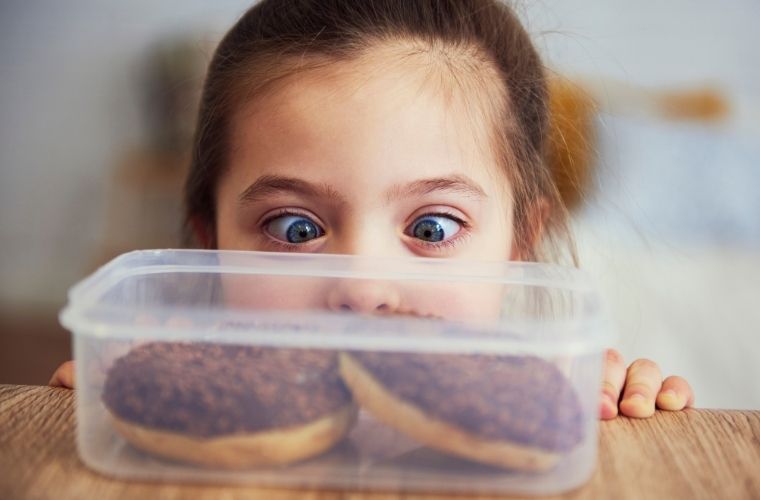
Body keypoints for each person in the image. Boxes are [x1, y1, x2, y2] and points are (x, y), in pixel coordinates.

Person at [50, 0, 694, 419]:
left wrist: (614, 402)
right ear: (210, 239)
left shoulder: (556, 407)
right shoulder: (167, 408)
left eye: (431, 227)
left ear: (519, 242)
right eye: (295, 228)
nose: (362, 289)